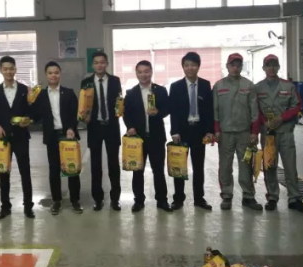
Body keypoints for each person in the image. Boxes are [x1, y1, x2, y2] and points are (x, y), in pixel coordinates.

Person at [255, 55, 303, 213]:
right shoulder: (257, 88)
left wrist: (282, 118)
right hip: (268, 134)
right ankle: (272, 197)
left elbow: (297, 105)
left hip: (285, 131)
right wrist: (263, 121)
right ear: (264, 68)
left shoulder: (288, 86)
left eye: (274, 65)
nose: (271, 68)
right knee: (269, 166)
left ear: (278, 67)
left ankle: (294, 198)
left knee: (290, 166)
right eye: (268, 65)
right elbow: (254, 109)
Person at [31, 61, 83, 215]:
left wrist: (71, 128)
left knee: (72, 169)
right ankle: (56, 200)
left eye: (56, 73)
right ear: (46, 75)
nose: (53, 75)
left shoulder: (69, 93)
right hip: (52, 136)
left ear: (60, 74)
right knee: (54, 170)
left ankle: (75, 200)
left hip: (68, 135)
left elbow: (75, 113)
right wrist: (30, 100)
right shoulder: (40, 95)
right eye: (50, 73)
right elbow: (35, 116)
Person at [213, 53, 262, 211]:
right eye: (232, 65)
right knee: (225, 165)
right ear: (227, 66)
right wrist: (216, 130)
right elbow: (215, 110)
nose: (235, 68)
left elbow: (254, 111)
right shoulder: (218, 86)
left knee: (246, 164)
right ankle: (227, 195)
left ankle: (248, 196)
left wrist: (254, 132)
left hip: (244, 133)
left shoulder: (249, 85)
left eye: (238, 65)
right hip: (225, 133)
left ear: (241, 67)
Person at [0, 56, 35, 219]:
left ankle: (28, 206)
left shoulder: (25, 90)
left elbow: (32, 111)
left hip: (21, 136)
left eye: (11, 68)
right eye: (5, 69)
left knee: (25, 172)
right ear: (1, 70)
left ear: (15, 70)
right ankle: (5, 206)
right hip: (3, 139)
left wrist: (28, 119)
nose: (8, 72)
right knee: (3, 173)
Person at [123, 60, 172, 212]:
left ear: (151, 72)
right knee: (138, 171)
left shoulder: (160, 90)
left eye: (146, 71)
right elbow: (126, 114)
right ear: (136, 73)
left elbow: (167, 108)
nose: (143, 75)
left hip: (156, 137)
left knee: (158, 170)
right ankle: (138, 200)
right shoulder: (131, 93)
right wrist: (130, 127)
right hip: (138, 139)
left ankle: (162, 200)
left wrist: (159, 112)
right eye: (140, 72)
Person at [169, 52, 215, 211]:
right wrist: (174, 131)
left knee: (198, 167)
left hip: (199, 132)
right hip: (182, 132)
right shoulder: (176, 87)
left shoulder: (205, 85)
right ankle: (178, 199)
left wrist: (209, 131)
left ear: (198, 66)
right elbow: (173, 111)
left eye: (193, 65)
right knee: (179, 166)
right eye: (187, 65)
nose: (190, 68)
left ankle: (199, 198)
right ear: (183, 67)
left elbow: (209, 110)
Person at [81, 51, 123, 211]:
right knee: (95, 165)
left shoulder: (115, 81)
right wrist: (83, 117)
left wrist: (120, 110)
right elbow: (83, 105)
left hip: (111, 126)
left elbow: (119, 101)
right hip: (95, 127)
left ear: (107, 64)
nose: (99, 65)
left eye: (102, 62)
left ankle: (115, 199)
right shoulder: (86, 82)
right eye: (96, 62)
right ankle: (98, 199)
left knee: (113, 164)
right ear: (92, 65)